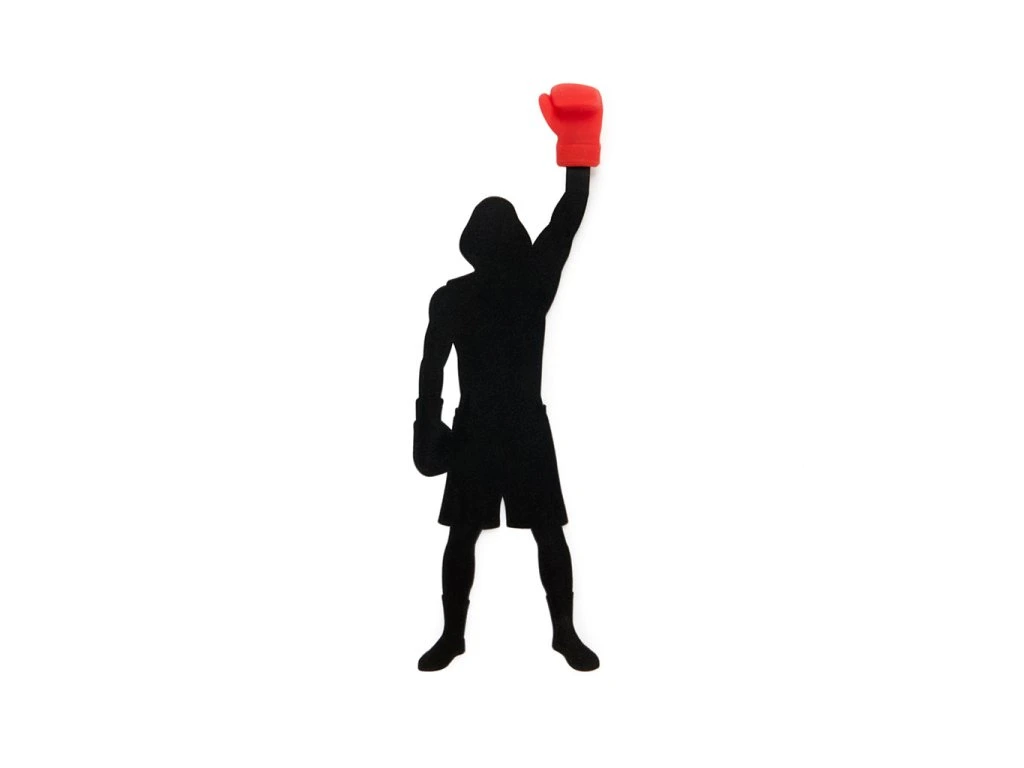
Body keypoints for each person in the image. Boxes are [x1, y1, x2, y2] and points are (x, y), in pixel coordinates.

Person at [413, 85, 603, 671]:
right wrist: (576, 147)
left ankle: (477, 635)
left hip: (492, 426)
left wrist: (427, 429)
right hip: (513, 425)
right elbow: (569, 213)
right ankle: (550, 632)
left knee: (483, 534)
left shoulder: (465, 295)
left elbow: (430, 371)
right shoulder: (526, 284)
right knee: (531, 532)